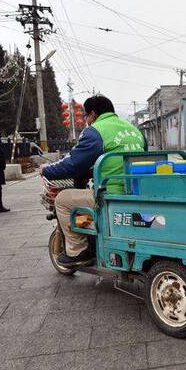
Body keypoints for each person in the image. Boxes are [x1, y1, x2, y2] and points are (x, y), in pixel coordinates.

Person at [40, 95, 146, 267]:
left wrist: (46, 170)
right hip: (136, 190)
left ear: (93, 114)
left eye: (86, 116)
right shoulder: (134, 130)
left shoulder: (96, 131)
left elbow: (73, 164)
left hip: (111, 194)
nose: (86, 121)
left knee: (63, 200)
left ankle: (78, 251)